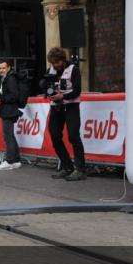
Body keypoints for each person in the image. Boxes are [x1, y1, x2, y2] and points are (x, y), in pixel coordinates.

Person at [43, 48, 87, 181]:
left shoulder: (73, 69)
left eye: (57, 62)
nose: (55, 65)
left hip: (71, 106)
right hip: (56, 107)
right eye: (53, 63)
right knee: (55, 136)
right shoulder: (50, 70)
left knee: (73, 136)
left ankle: (80, 170)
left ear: (62, 59)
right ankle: (67, 166)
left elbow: (77, 91)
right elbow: (46, 87)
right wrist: (47, 91)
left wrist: (62, 95)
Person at [0, 59, 23, 171]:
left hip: (9, 110)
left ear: (9, 68)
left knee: (7, 136)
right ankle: (16, 160)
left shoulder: (10, 79)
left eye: (3, 68)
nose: (1, 70)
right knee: (10, 136)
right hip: (6, 109)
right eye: (0, 68)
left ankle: (9, 161)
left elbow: (14, 96)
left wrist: (1, 99)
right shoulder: (3, 79)